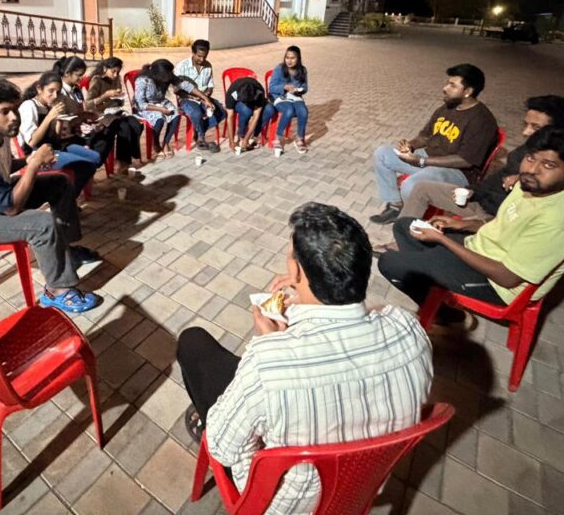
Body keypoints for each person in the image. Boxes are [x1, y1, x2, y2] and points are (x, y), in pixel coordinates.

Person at [176, 203, 433, 515]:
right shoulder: (410, 331)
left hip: (282, 503)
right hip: (360, 487)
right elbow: (364, 321)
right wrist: (308, 301)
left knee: (193, 342)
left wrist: (272, 342)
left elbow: (222, 447)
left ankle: (206, 413)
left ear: (296, 271)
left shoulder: (268, 362)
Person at [377, 126, 564, 327]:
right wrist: (461, 224)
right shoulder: (529, 185)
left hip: (496, 284)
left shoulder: (558, 220)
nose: (532, 169)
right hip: (481, 249)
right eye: (530, 158)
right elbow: (501, 224)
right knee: (405, 227)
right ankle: (432, 279)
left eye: (548, 165)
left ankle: (450, 315)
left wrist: (442, 240)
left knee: (390, 263)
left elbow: (507, 278)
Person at [0, 79, 100, 313]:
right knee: (42, 224)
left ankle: (66, 249)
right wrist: (34, 164)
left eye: (15, 109)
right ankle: (57, 290)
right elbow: (10, 208)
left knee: (59, 182)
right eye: (5, 111)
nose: (14, 117)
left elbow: (3, 165)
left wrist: (29, 160)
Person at [397, 95, 564, 223]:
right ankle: (401, 236)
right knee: (421, 188)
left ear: (560, 129)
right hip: (483, 202)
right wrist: (474, 191)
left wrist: (531, 182)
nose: (526, 132)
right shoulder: (530, 148)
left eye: (535, 127)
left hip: (503, 220)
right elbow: (500, 176)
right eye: (526, 124)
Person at [370, 63, 499, 225]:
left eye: (452, 85)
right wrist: (410, 146)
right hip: (429, 159)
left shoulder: (481, 120)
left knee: (411, 185)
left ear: (468, 91)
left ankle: (408, 222)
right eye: (447, 83)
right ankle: (396, 206)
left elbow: (465, 160)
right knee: (382, 154)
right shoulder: (447, 108)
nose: (445, 88)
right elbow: (425, 136)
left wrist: (421, 161)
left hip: (456, 172)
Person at [17, 71, 101, 196]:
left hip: (54, 147)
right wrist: (49, 117)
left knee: (95, 157)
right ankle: (67, 199)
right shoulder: (29, 106)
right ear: (39, 89)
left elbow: (56, 138)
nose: (54, 95)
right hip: (37, 154)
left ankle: (71, 190)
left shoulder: (49, 105)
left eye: (58, 92)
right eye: (51, 91)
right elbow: (32, 142)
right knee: (86, 166)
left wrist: (60, 120)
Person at [133, 59, 216, 160]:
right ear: (158, 74)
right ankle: (156, 143)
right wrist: (161, 109)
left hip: (160, 101)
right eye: (167, 74)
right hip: (145, 106)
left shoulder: (168, 76)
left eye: (170, 73)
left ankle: (166, 143)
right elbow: (140, 103)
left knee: (176, 114)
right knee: (159, 118)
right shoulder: (143, 80)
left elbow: (187, 86)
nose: (169, 76)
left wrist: (206, 99)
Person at [85, 56, 145, 173]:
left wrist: (119, 98)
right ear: (105, 69)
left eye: (118, 72)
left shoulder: (117, 78)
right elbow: (88, 105)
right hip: (100, 114)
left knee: (135, 124)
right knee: (124, 128)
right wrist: (105, 95)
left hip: (115, 111)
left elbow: (119, 100)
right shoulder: (97, 80)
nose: (116, 74)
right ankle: (122, 162)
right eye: (113, 71)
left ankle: (126, 158)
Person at [176, 39, 227, 152]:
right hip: (186, 99)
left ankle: (199, 130)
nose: (202, 59)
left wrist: (207, 95)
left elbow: (210, 86)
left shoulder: (208, 66)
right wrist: (195, 97)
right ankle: (201, 137)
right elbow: (177, 90)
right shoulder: (181, 66)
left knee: (222, 112)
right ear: (193, 53)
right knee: (197, 113)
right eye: (199, 56)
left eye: (205, 56)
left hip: (205, 98)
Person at [264, 46, 310, 155]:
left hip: (295, 96)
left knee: (303, 111)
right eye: (287, 57)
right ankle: (278, 138)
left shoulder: (302, 70)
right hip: (280, 96)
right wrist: (284, 87)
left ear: (298, 58)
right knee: (289, 111)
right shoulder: (279, 69)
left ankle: (300, 138)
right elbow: (272, 87)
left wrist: (300, 90)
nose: (289, 60)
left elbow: (305, 87)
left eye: (292, 58)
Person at [224, 74, 268, 153]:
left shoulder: (259, 91)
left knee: (268, 110)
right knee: (246, 111)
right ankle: (240, 136)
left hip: (254, 101)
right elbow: (230, 117)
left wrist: (246, 139)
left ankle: (250, 137)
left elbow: (256, 116)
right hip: (238, 103)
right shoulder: (232, 91)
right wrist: (231, 141)